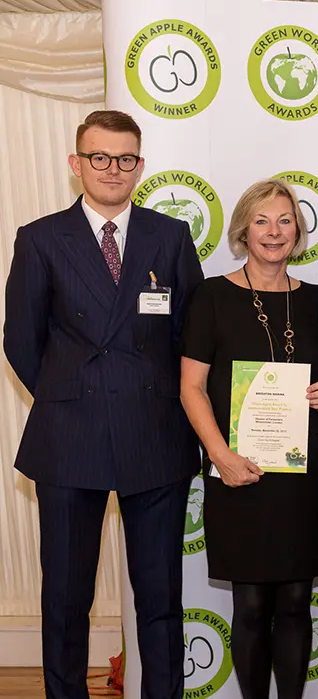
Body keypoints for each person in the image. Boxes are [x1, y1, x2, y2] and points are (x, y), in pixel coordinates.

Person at [2, 110, 203, 699]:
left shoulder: (169, 236)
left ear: (140, 166)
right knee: (65, 597)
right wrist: (70, 395)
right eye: (100, 157)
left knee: (161, 597)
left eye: (125, 159)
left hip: (155, 432)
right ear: (76, 164)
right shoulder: (39, 238)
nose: (113, 169)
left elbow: (189, 335)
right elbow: (21, 341)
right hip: (69, 436)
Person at [179, 179, 318, 699]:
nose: (274, 231)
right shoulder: (211, 296)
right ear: (244, 229)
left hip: (302, 477)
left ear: (299, 230)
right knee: (249, 608)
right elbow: (192, 388)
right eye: (263, 220)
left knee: (295, 602)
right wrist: (220, 457)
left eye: (285, 220)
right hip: (238, 473)